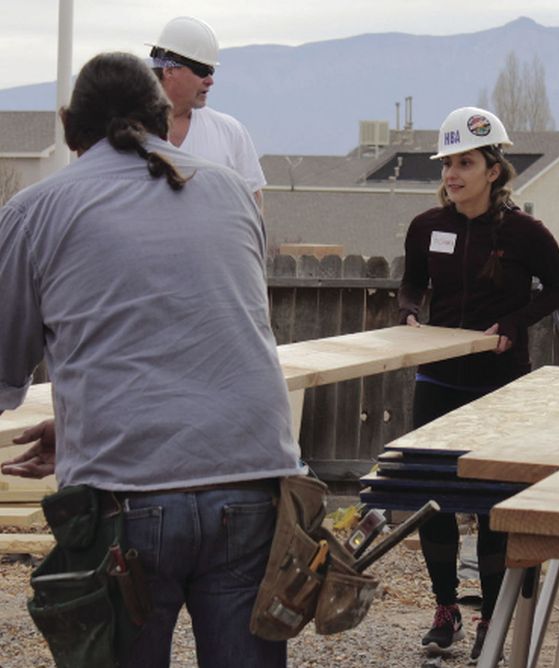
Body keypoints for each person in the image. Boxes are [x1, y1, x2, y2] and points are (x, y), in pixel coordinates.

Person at [0, 52, 302, 667]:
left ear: (69, 125)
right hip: (252, 479)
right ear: (164, 117)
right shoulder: (231, 191)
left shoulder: (34, 212)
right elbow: (208, 329)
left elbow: (6, 365)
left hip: (125, 497)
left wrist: (90, 419)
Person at [398, 106, 559, 663]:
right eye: (447, 163)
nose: (452, 174)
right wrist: (408, 315)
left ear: (494, 169)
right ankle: (446, 609)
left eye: (465, 163)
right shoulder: (427, 226)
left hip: (500, 383)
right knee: (435, 499)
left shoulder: (525, 232)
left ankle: (491, 620)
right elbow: (409, 286)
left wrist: (516, 322)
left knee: (495, 503)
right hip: (437, 380)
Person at [149, 15, 266, 205]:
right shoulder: (125, 133)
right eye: (201, 70)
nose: (210, 80)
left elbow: (253, 201)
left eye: (211, 71)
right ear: (169, 70)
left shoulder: (230, 132)